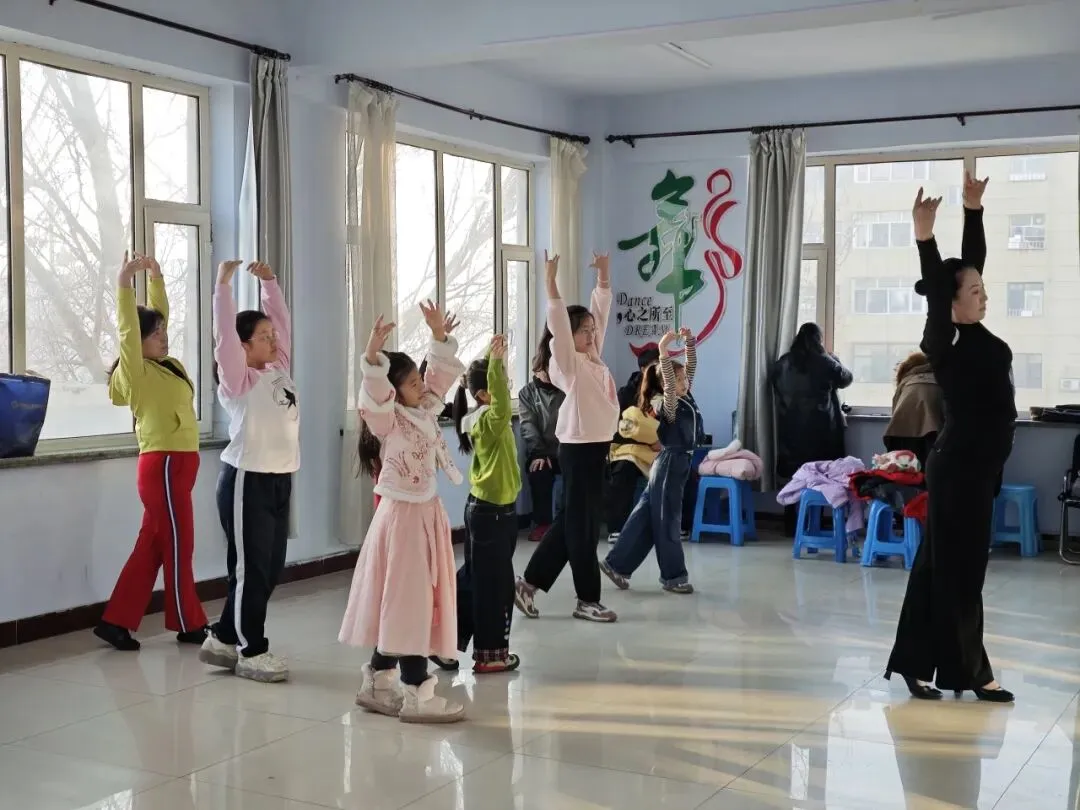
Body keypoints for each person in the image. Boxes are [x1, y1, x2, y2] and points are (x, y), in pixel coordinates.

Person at [885, 174, 1016, 704]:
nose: (984, 296)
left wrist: (973, 209)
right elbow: (944, 285)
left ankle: (914, 664)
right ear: (952, 302)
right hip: (959, 467)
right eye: (975, 292)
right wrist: (925, 238)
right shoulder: (945, 338)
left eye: (984, 289)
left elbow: (969, 267)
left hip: (977, 468)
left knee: (938, 566)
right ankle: (972, 672)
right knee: (962, 570)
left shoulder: (977, 332)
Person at [339, 302, 468, 724]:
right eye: (412, 382)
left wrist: (438, 337)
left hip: (423, 514)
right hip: (403, 519)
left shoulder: (423, 408)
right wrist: (372, 356)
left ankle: (378, 682)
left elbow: (440, 378)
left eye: (418, 380)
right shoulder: (388, 420)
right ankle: (417, 693)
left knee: (407, 600)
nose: (421, 385)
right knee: (410, 602)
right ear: (394, 392)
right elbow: (375, 394)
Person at [95, 252, 209, 651]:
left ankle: (115, 621)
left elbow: (158, 317)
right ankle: (188, 623)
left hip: (178, 466)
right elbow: (129, 330)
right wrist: (124, 284)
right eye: (155, 333)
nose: (163, 336)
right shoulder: (137, 373)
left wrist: (157, 278)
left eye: (163, 331)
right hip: (163, 465)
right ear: (138, 343)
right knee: (179, 543)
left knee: (153, 545)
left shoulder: (169, 365)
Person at [198, 260, 297, 684]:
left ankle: (223, 636)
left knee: (269, 567)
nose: (273, 340)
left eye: (272, 335)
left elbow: (282, 323)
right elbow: (224, 336)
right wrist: (223, 286)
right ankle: (250, 649)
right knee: (252, 568)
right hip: (247, 481)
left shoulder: (278, 369)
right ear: (243, 347)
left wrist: (270, 283)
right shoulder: (237, 381)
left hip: (280, 479)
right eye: (263, 337)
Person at [514, 250, 621, 623]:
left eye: (592, 330)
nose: (591, 334)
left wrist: (603, 277)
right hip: (578, 450)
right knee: (583, 530)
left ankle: (527, 584)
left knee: (571, 523)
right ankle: (587, 599)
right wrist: (549, 283)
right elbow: (559, 323)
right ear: (568, 337)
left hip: (596, 449)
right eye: (584, 330)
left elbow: (601, 313)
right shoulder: (567, 363)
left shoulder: (593, 357)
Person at [600, 328, 702, 594]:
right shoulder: (669, 405)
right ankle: (673, 577)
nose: (685, 383)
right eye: (678, 380)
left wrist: (689, 342)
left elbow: (690, 367)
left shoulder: (686, 396)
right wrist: (663, 350)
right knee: (668, 520)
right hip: (669, 465)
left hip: (675, 465)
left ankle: (616, 564)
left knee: (646, 517)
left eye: (684, 379)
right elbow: (669, 379)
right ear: (666, 385)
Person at [445, 335, 522, 673]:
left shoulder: (483, 419)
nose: (505, 386)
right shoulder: (490, 420)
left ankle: (445, 642)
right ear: (482, 394)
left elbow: (501, 399)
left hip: (488, 511)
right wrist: (495, 363)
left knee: (476, 578)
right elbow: (503, 404)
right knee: (495, 586)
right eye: (500, 383)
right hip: (492, 514)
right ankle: (491, 656)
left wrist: (494, 363)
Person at [771, 322, 853, 535]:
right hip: (821, 430)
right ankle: (819, 521)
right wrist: (835, 359)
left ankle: (791, 523)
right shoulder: (825, 362)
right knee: (823, 476)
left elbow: (775, 384)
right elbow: (846, 378)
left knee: (793, 476)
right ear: (819, 339)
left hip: (790, 429)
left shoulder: (783, 363)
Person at [605, 349, 662, 542]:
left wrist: (662, 442)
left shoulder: (670, 389)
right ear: (644, 369)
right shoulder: (625, 394)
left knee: (683, 468)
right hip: (629, 449)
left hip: (660, 450)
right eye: (656, 366)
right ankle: (617, 528)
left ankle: (679, 525)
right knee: (622, 470)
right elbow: (617, 429)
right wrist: (648, 440)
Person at [518, 343, 565, 542]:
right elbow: (528, 425)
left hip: (566, 448)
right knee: (538, 471)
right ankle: (543, 523)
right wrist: (538, 453)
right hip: (541, 450)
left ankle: (570, 521)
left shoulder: (567, 388)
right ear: (536, 370)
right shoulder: (526, 393)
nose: (547, 374)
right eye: (543, 369)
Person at [883, 351, 943, 470]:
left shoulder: (906, 382)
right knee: (932, 470)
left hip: (902, 431)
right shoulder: (940, 379)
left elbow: (896, 408)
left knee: (904, 471)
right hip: (935, 431)